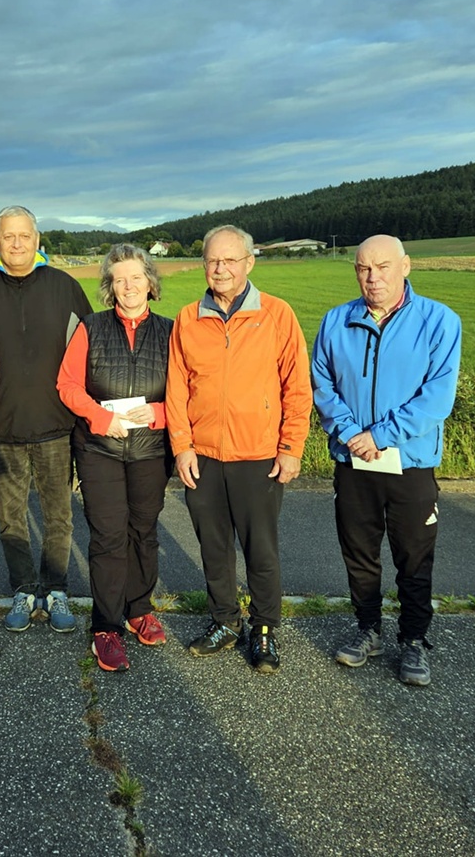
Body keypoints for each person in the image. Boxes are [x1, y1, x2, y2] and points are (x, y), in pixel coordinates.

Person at [311, 234, 462, 687]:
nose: (372, 277)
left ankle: (413, 639)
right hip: (353, 462)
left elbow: (437, 397)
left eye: (382, 267)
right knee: (359, 553)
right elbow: (321, 385)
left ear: (405, 266)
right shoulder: (336, 321)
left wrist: (378, 435)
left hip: (410, 463)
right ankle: (368, 630)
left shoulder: (438, 321)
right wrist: (351, 434)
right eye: (363, 268)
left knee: (414, 557)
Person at [166, 224, 312, 673]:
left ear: (249, 263)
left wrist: (291, 446)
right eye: (213, 260)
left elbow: (297, 387)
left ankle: (264, 629)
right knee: (214, 548)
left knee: (260, 550)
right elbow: (176, 389)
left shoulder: (277, 314)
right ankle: (225, 622)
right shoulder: (188, 319)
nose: (221, 268)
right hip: (204, 456)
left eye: (230, 259)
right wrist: (182, 446)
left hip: (259, 456)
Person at [0, 206, 92, 636]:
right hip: (0, 426)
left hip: (55, 425)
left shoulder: (65, 287)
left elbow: (87, 351)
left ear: (38, 240)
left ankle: (56, 589)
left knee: (59, 515)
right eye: (9, 236)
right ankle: (23, 589)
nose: (17, 243)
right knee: (11, 517)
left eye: (25, 235)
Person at [57, 244, 173, 672]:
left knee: (143, 531)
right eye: (119, 279)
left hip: (151, 450)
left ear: (150, 282)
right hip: (99, 449)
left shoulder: (171, 331)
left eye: (136, 277)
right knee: (108, 536)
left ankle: (139, 609)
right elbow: (68, 385)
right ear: (110, 286)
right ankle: (106, 626)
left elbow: (188, 391)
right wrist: (100, 418)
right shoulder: (90, 328)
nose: (128, 286)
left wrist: (160, 413)